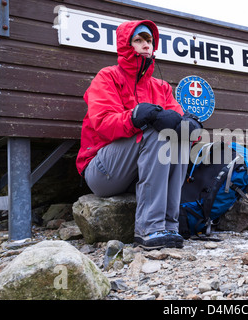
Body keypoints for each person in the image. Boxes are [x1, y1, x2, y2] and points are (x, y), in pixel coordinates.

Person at [76, 20, 202, 250]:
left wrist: (191, 126)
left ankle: (169, 226)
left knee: (179, 137)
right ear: (126, 44)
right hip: (102, 171)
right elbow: (102, 123)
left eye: (149, 40)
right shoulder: (108, 77)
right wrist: (135, 117)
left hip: (137, 171)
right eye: (139, 40)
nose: (146, 45)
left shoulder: (161, 87)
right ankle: (149, 229)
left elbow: (177, 118)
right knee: (157, 133)